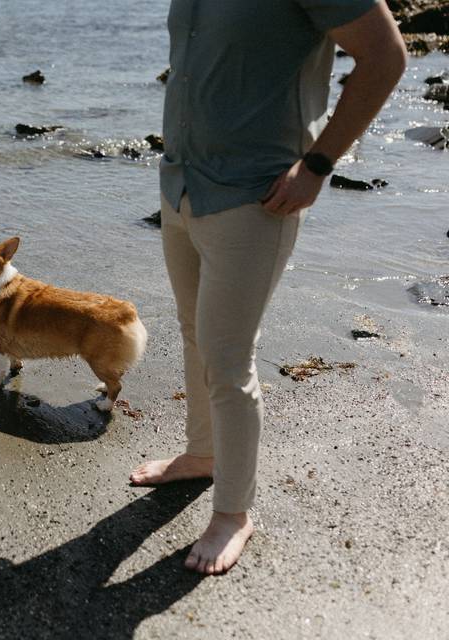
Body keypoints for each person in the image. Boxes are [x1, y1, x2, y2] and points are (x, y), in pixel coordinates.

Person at [130, 0, 407, 574]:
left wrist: (318, 165)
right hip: (181, 184)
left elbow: (386, 57)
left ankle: (233, 514)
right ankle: (203, 454)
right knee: (193, 334)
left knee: (228, 359)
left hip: (256, 195)